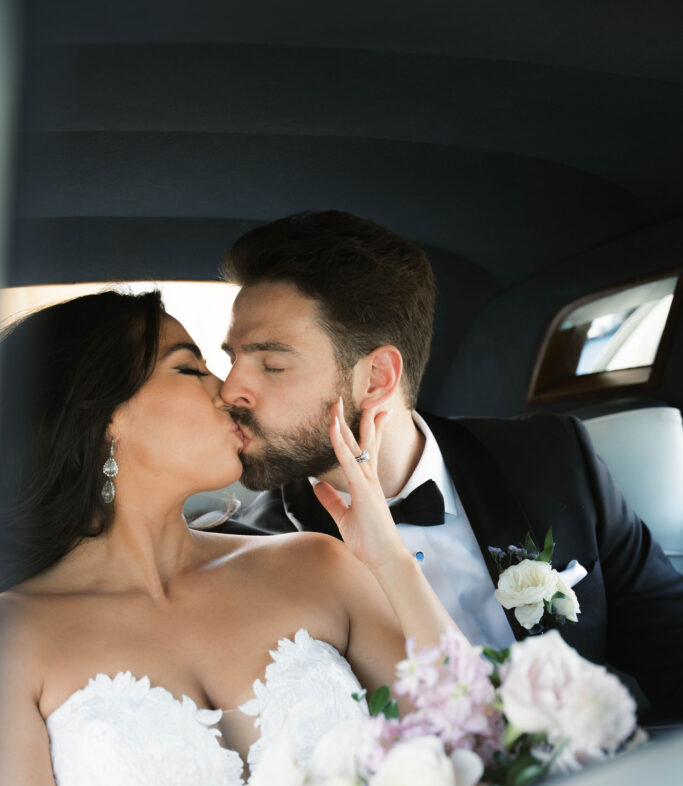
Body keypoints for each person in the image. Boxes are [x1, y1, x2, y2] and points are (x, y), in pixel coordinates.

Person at [0, 290, 462, 786]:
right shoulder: (12, 641)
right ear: (103, 414)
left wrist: (390, 567)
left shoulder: (317, 566)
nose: (230, 390)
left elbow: (484, 749)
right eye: (189, 369)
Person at [219, 210, 683, 719]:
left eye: (273, 365)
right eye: (231, 358)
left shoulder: (550, 459)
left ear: (376, 378)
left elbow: (671, 653)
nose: (229, 390)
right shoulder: (253, 551)